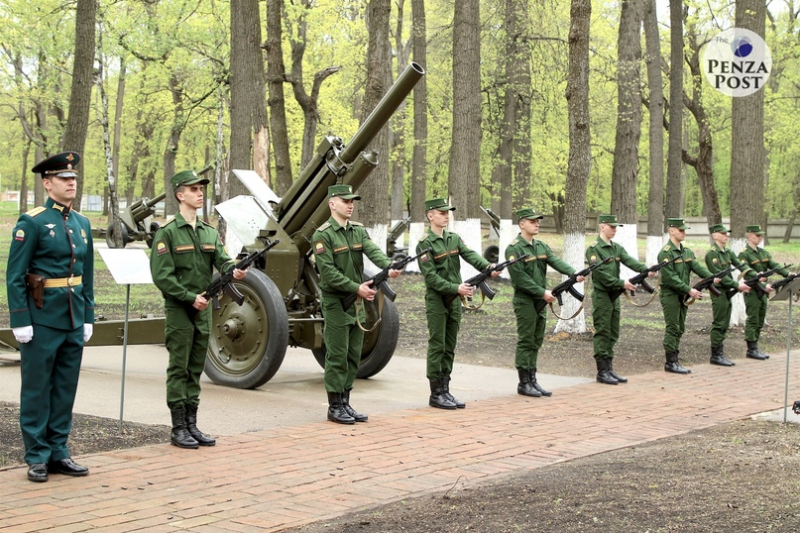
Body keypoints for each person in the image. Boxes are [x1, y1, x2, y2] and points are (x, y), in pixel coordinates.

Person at [6, 152, 94, 482]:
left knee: (65, 389)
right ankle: (37, 455)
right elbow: (15, 275)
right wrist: (20, 319)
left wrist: (88, 316)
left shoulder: (82, 223)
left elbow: (85, 275)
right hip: (42, 318)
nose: (72, 183)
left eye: (73, 178)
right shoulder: (33, 221)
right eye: (64, 179)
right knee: (37, 389)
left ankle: (59, 451)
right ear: (47, 183)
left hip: (72, 319)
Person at [150, 169, 247, 449]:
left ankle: (192, 424)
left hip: (203, 308)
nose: (199, 193)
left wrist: (234, 270)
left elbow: (222, 260)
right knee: (179, 367)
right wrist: (189, 297)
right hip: (181, 308)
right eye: (193, 189)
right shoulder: (167, 233)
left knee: (194, 368)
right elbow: (162, 276)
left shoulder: (207, 231)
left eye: (201, 189)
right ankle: (178, 427)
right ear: (180, 195)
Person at [312, 184, 400, 424]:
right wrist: (356, 288)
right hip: (336, 302)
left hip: (356, 302)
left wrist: (388, 266)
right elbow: (328, 273)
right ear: (332, 203)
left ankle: (345, 402)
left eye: (352, 201)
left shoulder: (358, 231)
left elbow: (373, 251)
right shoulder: (323, 235)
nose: (351, 205)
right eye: (345, 200)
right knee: (337, 355)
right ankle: (334, 406)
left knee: (353, 356)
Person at [504, 207, 583, 397]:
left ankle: (533, 379)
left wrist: (574, 273)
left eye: (537, 221)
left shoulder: (540, 246)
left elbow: (556, 261)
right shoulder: (514, 249)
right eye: (532, 221)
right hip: (526, 301)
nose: (537, 223)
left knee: (537, 339)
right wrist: (542, 292)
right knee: (526, 340)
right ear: (521, 224)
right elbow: (519, 278)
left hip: (541, 299)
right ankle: (524, 383)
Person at [585, 214, 651, 385]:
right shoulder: (594, 249)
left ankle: (609, 368)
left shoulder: (616, 248)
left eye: (615, 227)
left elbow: (630, 262)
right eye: (611, 227)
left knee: (613, 332)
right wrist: (622, 283)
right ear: (602, 227)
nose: (614, 230)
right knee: (603, 332)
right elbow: (600, 275)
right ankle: (602, 371)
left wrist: (646, 270)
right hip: (602, 295)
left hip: (615, 296)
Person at [657, 217, 718, 374]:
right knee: (673, 327)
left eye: (684, 230)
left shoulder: (687, 252)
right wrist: (689, 290)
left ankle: (675, 359)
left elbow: (697, 268)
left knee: (680, 328)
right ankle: (670, 362)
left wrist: (712, 277)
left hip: (682, 295)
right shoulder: (666, 253)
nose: (684, 233)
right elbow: (670, 278)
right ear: (671, 231)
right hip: (670, 294)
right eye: (681, 230)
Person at [737, 225, 793, 360]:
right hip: (753, 291)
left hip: (763, 291)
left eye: (761, 235)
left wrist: (788, 274)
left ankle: (755, 345)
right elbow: (748, 274)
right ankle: (751, 349)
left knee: (760, 319)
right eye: (757, 235)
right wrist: (761, 283)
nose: (760, 237)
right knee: (753, 319)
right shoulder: (744, 254)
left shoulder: (763, 252)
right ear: (750, 236)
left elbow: (774, 266)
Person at [704, 223, 751, 366]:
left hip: (727, 291)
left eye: (727, 234)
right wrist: (737, 285)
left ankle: (720, 354)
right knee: (719, 322)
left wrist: (753, 273)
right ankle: (716, 355)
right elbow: (720, 276)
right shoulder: (712, 254)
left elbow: (740, 265)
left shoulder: (728, 252)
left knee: (725, 322)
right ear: (715, 235)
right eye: (723, 234)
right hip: (718, 292)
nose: (726, 236)